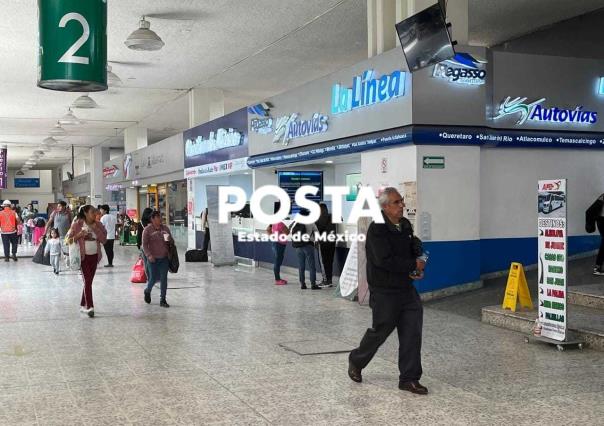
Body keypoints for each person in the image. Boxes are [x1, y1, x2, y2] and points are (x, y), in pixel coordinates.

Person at [348, 187, 428, 395]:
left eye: (401, 201)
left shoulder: (404, 224)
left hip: (406, 289)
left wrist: (420, 257)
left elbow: (414, 243)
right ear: (384, 207)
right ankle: (356, 360)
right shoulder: (378, 230)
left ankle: (409, 378)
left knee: (412, 332)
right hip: (384, 291)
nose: (402, 205)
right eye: (396, 202)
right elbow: (384, 260)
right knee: (381, 331)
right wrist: (413, 265)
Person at [67, 205, 107, 318]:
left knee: (88, 282)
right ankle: (90, 306)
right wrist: (79, 235)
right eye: (92, 212)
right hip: (83, 257)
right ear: (85, 213)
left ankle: (82, 304)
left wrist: (95, 229)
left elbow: (104, 240)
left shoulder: (98, 224)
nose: (95, 214)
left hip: (95, 256)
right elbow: (67, 240)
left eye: (95, 212)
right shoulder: (77, 225)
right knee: (88, 280)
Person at [142, 210, 173, 308]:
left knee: (164, 279)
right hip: (153, 259)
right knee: (153, 279)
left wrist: (168, 238)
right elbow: (144, 245)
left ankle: (162, 299)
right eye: (158, 217)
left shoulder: (165, 228)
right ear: (152, 219)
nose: (160, 219)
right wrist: (149, 255)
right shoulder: (147, 230)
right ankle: (147, 290)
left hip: (164, 258)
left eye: (161, 217)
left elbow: (169, 243)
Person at [290, 208, 320, 290]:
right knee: (311, 266)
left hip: (298, 246)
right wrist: (316, 241)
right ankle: (313, 284)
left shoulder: (296, 222)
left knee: (301, 265)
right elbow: (317, 232)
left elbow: (291, 231)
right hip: (308, 245)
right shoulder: (310, 222)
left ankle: (302, 284)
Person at [316, 203, 337, 287]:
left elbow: (317, 229)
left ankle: (326, 281)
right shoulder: (333, 216)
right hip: (332, 242)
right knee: (330, 262)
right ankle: (329, 280)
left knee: (324, 262)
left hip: (323, 243)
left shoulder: (320, 218)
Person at [267, 215, 289, 286]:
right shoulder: (280, 223)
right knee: (278, 261)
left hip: (276, 243)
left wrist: (272, 236)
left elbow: (268, 229)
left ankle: (278, 278)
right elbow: (287, 232)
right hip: (279, 245)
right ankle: (277, 280)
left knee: (278, 261)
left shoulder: (273, 223)